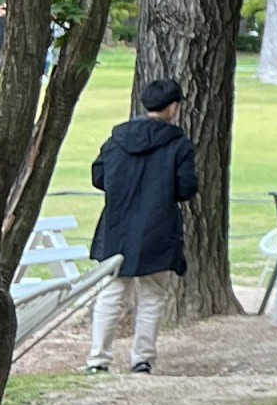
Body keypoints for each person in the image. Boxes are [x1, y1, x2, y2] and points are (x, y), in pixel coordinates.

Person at [84, 75, 198, 375]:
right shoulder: (178, 144)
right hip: (158, 226)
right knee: (152, 294)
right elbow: (186, 187)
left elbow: (98, 175)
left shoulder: (118, 139)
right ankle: (142, 359)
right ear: (173, 107)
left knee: (112, 293)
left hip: (117, 224)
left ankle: (98, 359)